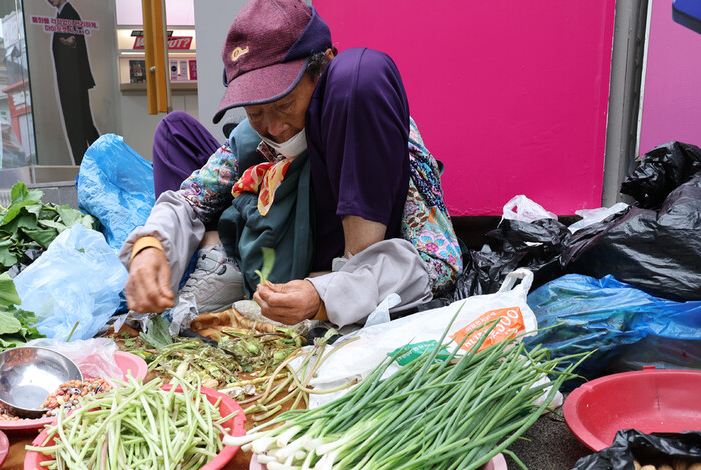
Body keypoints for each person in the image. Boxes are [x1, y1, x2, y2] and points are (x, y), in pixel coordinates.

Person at [121, 0, 462, 327]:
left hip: (342, 263)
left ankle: (334, 273)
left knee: (361, 74)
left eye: (284, 105)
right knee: (175, 132)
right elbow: (194, 196)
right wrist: (151, 246)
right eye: (255, 113)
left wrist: (329, 295)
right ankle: (225, 264)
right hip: (271, 246)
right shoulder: (257, 140)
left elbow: (441, 264)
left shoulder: (367, 116)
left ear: (324, 66)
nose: (273, 128)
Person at [47, 0, 100, 164]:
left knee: (77, 128)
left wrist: (72, 43)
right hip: (73, 84)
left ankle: (82, 168)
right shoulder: (64, 14)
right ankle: (101, 161)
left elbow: (76, 43)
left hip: (72, 86)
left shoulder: (68, 14)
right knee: (84, 126)